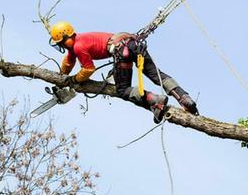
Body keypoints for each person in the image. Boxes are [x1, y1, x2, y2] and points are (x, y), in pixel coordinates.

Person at [49, 21, 198, 123]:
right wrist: (61, 77)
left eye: (61, 42)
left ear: (66, 37)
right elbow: (69, 61)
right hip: (132, 45)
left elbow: (88, 69)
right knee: (156, 75)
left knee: (123, 89)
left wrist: (74, 80)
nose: (62, 46)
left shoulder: (78, 46)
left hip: (122, 54)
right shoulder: (80, 40)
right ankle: (184, 98)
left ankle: (155, 101)